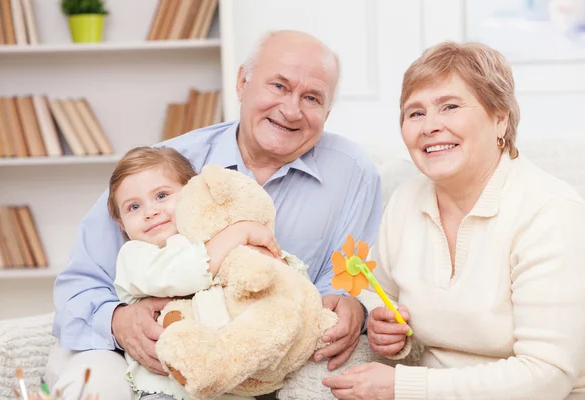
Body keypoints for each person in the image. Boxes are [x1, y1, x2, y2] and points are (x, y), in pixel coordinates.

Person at [47, 30, 382, 399]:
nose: (291, 110)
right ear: (242, 82)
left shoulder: (353, 173)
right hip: (141, 355)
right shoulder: (164, 169)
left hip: (248, 361)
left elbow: (351, 283)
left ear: (327, 112)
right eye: (278, 86)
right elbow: (79, 284)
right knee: (94, 382)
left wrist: (355, 309)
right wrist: (117, 320)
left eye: (312, 98)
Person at [323, 41, 585, 400]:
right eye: (415, 113)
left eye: (450, 106)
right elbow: (376, 294)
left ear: (500, 119)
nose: (430, 126)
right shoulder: (404, 201)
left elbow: (547, 375)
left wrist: (403, 386)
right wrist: (386, 329)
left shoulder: (551, 212)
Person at [108, 146, 304, 399]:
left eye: (161, 196)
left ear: (192, 192)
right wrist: (239, 232)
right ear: (122, 224)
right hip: (168, 388)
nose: (150, 212)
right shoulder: (134, 256)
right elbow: (180, 274)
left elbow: (287, 281)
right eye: (133, 207)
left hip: (232, 384)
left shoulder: (209, 241)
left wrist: (275, 261)